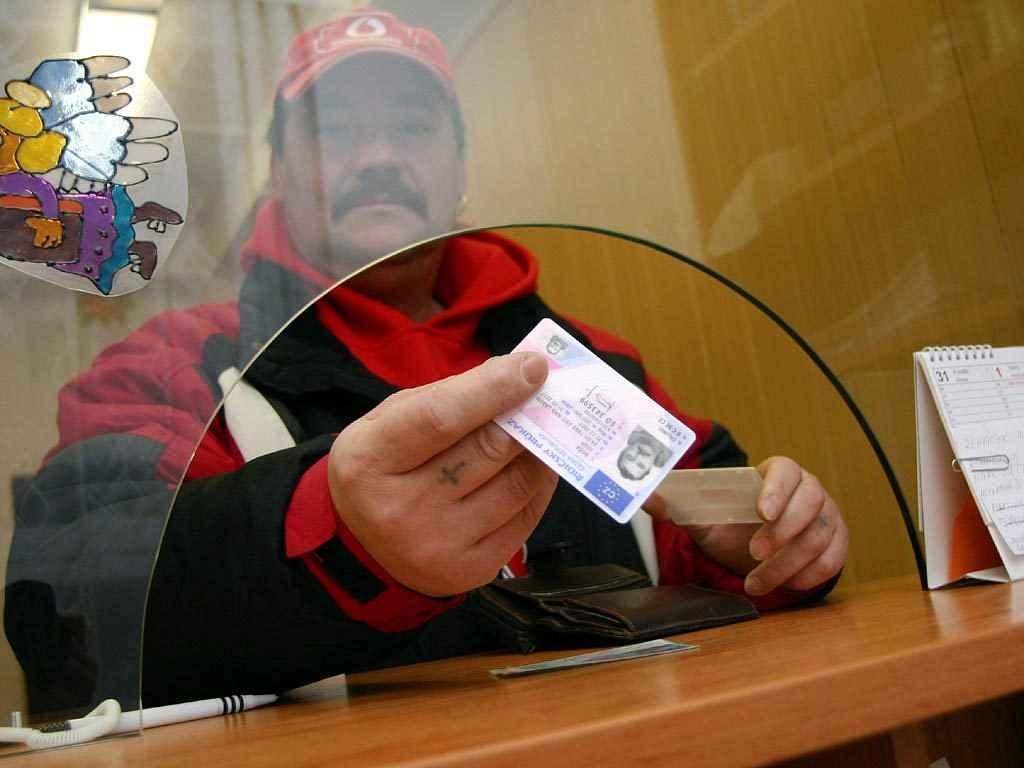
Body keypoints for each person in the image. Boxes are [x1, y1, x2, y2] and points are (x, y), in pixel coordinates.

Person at [5, 9, 848, 710]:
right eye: (336, 132)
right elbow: (66, 608)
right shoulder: (174, 364)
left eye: (411, 128)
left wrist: (777, 547)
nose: (379, 157)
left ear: (458, 168)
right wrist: (335, 535)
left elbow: (714, 550)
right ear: (281, 172)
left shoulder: (600, 364)